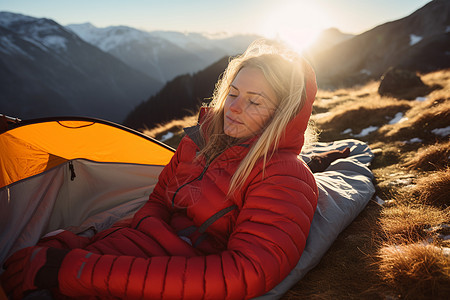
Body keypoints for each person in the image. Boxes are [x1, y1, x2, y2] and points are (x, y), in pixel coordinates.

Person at [2, 40, 322, 299]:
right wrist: (74, 246)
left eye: (255, 101)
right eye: (233, 94)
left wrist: (76, 270)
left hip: (157, 277)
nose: (233, 109)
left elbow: (244, 273)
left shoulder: (284, 176)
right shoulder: (199, 142)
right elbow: (157, 201)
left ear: (284, 113)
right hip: (124, 256)